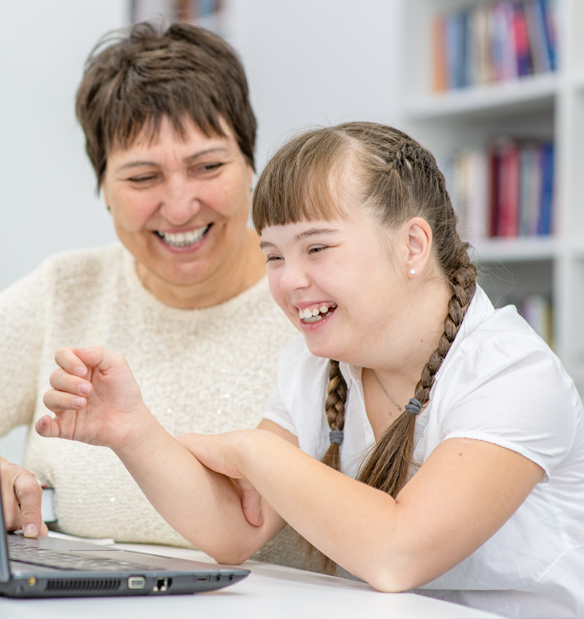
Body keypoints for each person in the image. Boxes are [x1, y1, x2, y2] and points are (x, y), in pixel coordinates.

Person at [39, 122, 584, 618]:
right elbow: (237, 527)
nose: (289, 281)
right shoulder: (315, 367)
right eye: (273, 256)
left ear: (413, 245)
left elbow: (398, 552)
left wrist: (256, 451)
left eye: (316, 247)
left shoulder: (514, 375)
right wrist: (132, 431)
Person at [0, 21, 310, 568]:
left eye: (207, 166)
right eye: (142, 178)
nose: (180, 207)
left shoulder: (315, 300)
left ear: (252, 165)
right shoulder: (64, 290)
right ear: (103, 191)